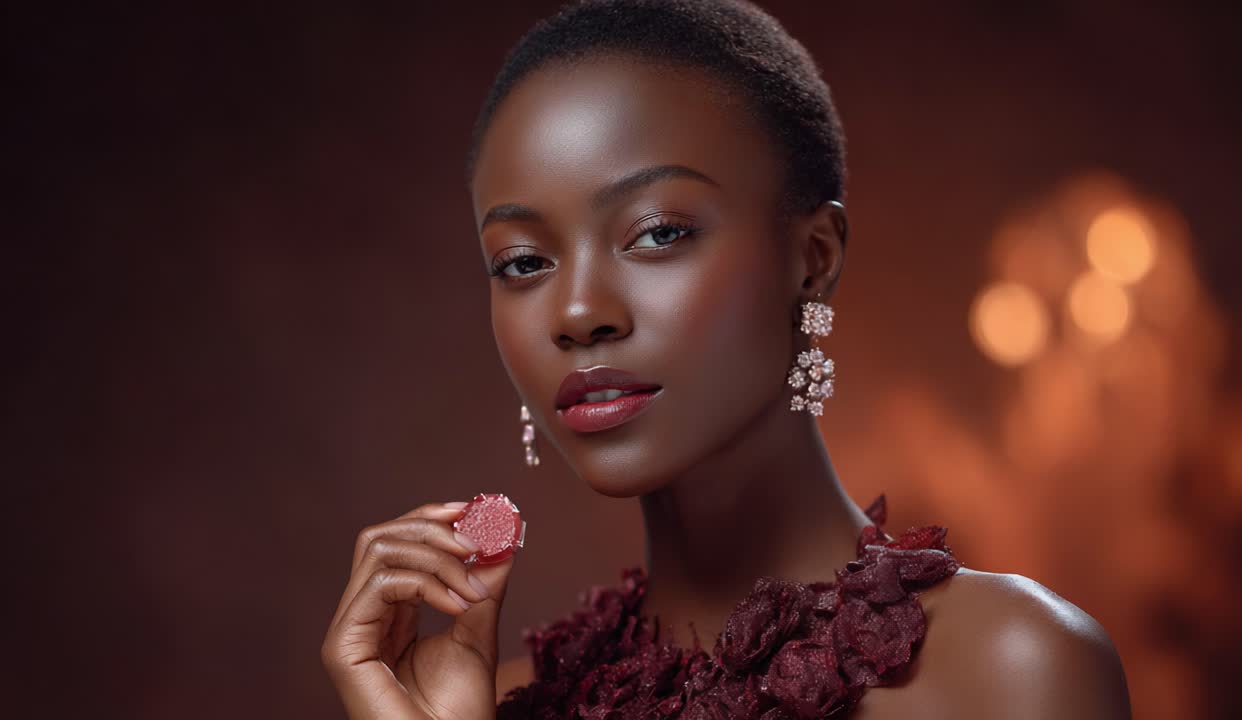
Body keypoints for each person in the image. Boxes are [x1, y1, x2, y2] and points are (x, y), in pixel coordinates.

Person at [320, 1, 1131, 717]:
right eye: (524, 262)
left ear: (812, 256)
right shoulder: (492, 703)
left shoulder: (1009, 669)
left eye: (658, 233)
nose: (576, 313)